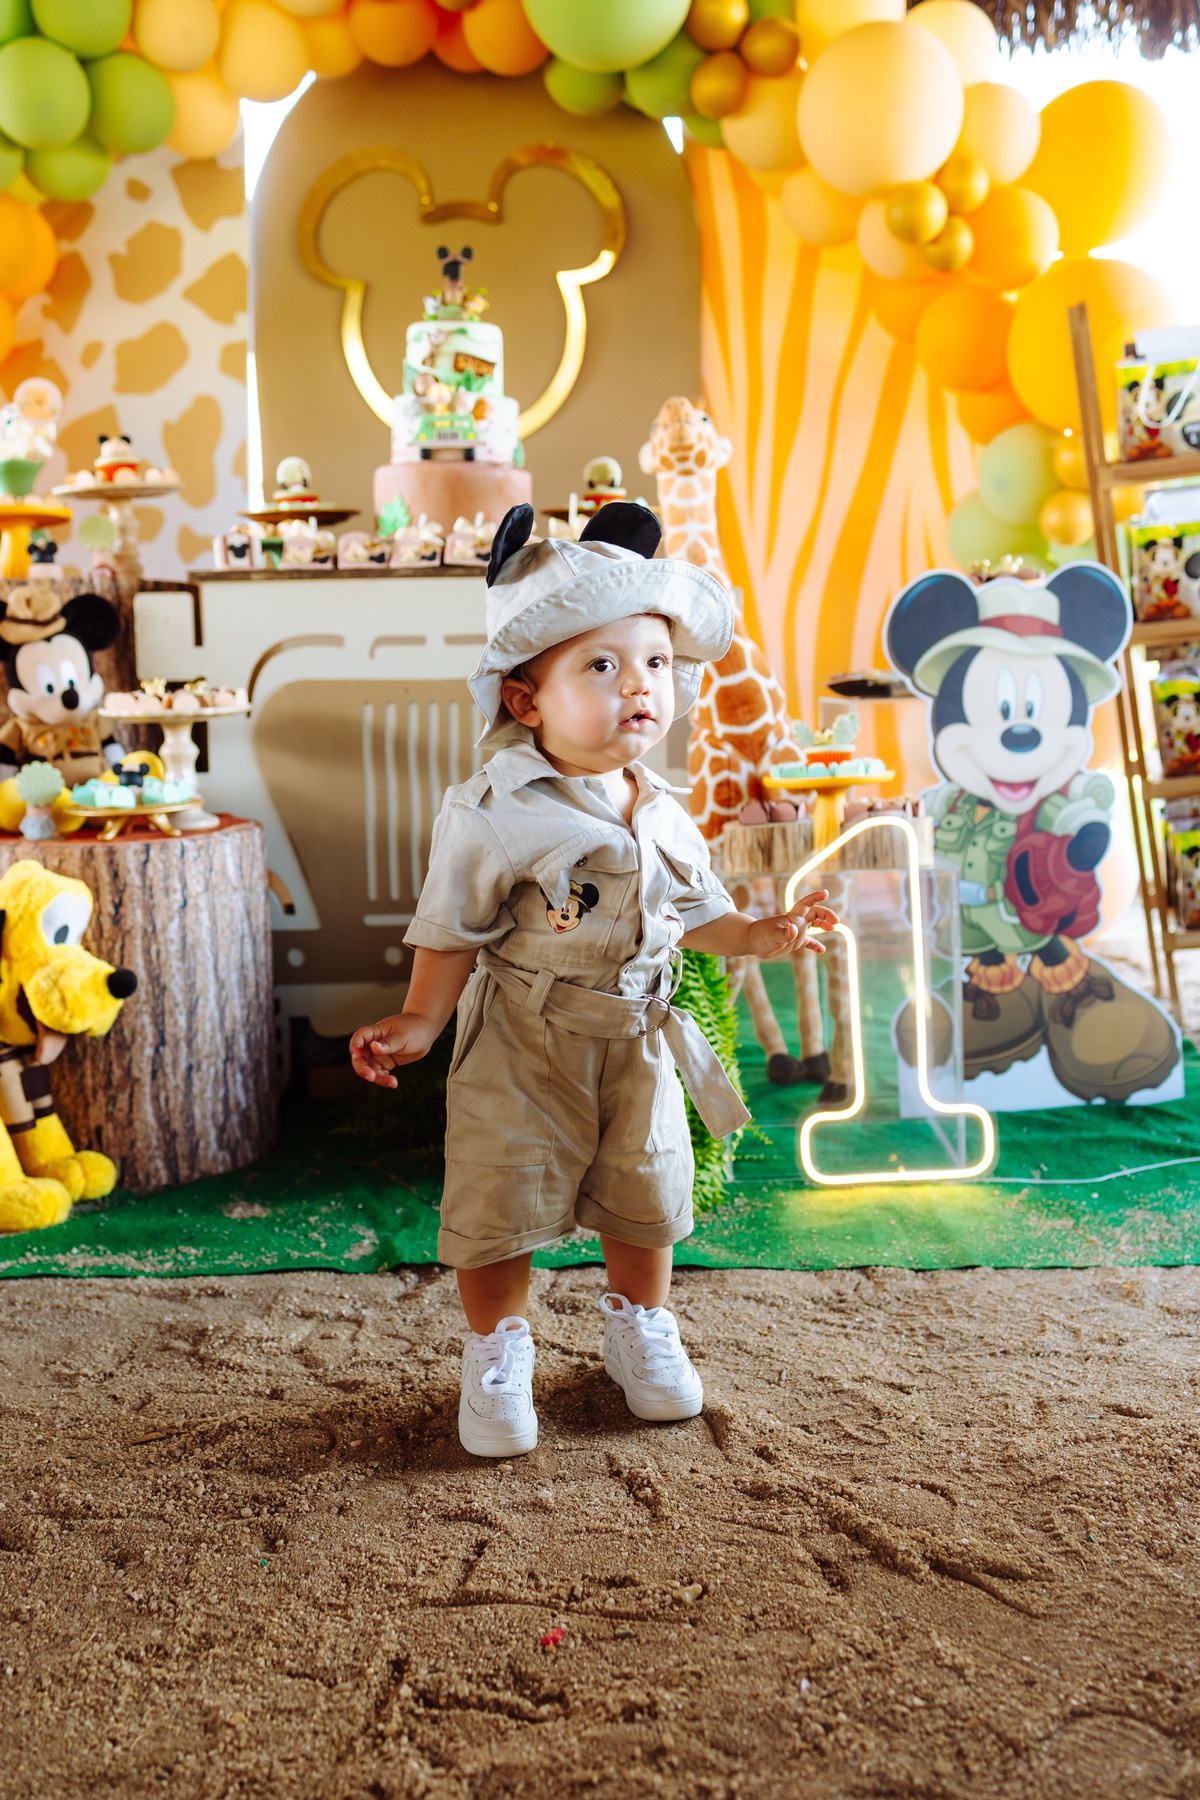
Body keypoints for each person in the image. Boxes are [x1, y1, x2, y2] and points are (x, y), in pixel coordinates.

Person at [350, 502, 836, 1458]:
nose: (638, 686)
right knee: (501, 1200)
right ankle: (496, 1350)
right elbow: (454, 927)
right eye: (601, 666)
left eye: (654, 663)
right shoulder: (495, 810)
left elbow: (702, 916)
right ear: (527, 702)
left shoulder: (665, 808)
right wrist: (418, 1018)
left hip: (639, 1042)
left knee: (646, 1193)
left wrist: (768, 934)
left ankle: (638, 1329)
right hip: (524, 1044)